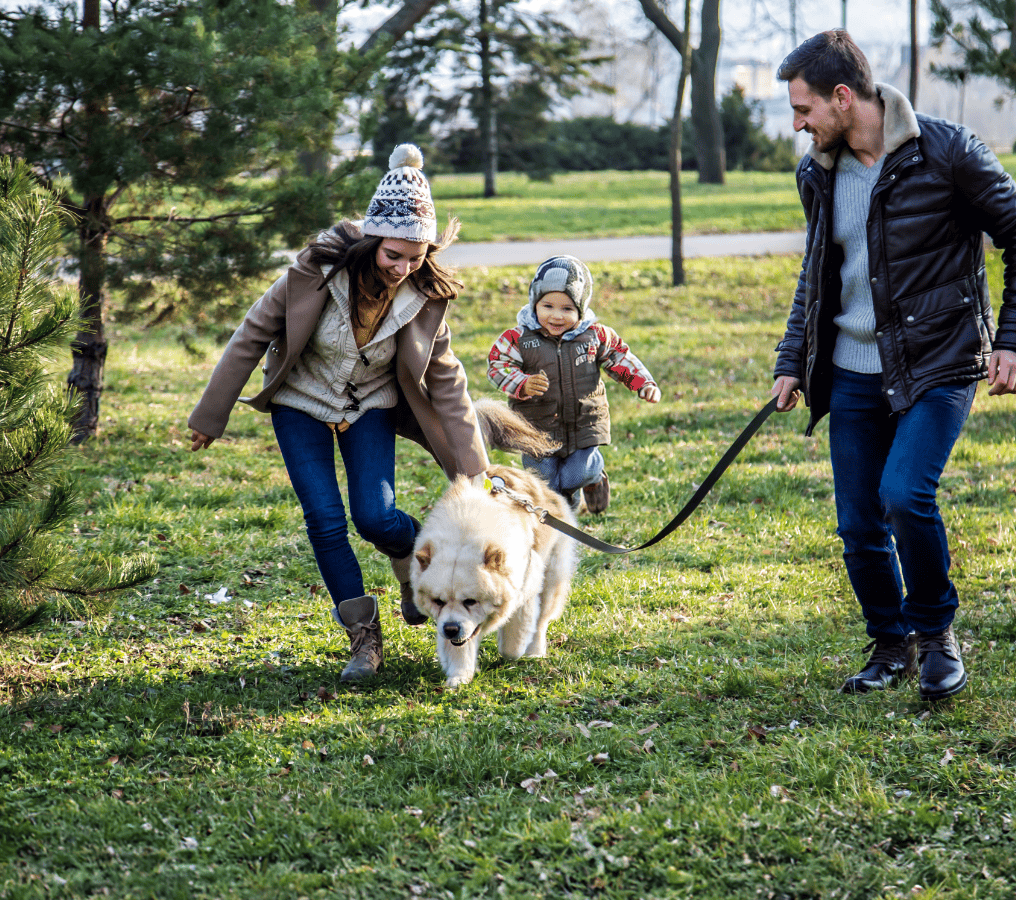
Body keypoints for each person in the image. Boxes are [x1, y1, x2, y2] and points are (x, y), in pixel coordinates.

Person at [770, 31, 1016, 701]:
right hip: (851, 368)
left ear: (844, 97)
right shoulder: (817, 171)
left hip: (940, 362)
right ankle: (889, 646)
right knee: (859, 524)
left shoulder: (947, 151)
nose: (798, 122)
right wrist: (791, 361)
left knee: (904, 495)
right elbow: (818, 274)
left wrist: (1014, 341)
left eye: (804, 108)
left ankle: (936, 639)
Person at [187, 145, 488, 683]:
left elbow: (447, 383)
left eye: (415, 258)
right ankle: (364, 638)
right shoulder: (314, 275)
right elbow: (251, 335)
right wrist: (211, 415)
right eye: (392, 255)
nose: (402, 269)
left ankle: (418, 565)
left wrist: (477, 475)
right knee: (325, 520)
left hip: (369, 406)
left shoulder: (423, 297)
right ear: (372, 240)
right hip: (300, 403)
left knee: (374, 517)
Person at [486, 255, 661, 513]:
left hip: (584, 423)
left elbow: (618, 357)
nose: (556, 316)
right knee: (547, 484)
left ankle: (594, 476)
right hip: (536, 428)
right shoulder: (518, 338)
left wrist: (642, 383)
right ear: (535, 302)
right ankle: (564, 524)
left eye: (567, 309)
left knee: (573, 476)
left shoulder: (594, 336)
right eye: (548, 306)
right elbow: (497, 365)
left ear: (580, 309)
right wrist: (521, 383)